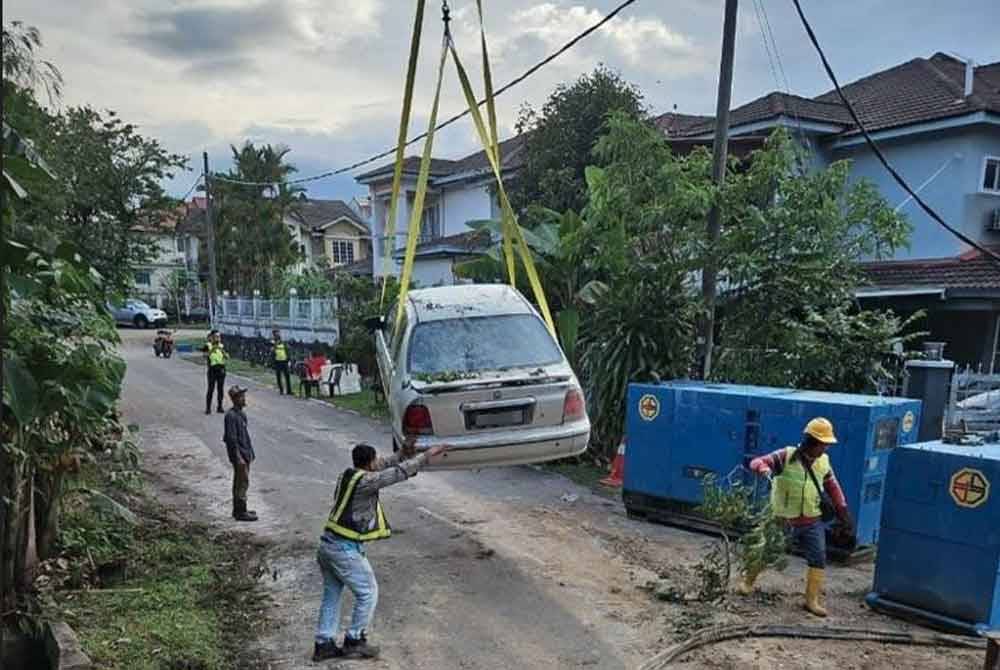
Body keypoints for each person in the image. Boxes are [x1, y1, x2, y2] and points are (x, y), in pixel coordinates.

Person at [311, 438, 449, 662]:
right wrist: (425, 456)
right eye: (375, 460)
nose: (378, 462)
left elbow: (385, 465)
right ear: (369, 462)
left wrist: (403, 452)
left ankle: (323, 643)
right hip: (343, 549)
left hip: (327, 545)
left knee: (332, 595)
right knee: (368, 593)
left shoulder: (348, 475)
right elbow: (395, 473)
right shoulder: (367, 482)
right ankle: (354, 641)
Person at [743, 417, 854, 617]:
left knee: (819, 557)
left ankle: (811, 600)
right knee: (765, 552)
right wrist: (763, 469)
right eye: (823, 444)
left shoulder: (824, 462)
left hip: (812, 520)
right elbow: (756, 461)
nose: (825, 448)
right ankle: (747, 583)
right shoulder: (786, 456)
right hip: (783, 519)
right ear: (812, 441)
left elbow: (833, 487)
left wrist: (843, 511)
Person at [223, 385, 258, 522]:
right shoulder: (230, 416)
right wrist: (238, 458)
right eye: (241, 397)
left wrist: (250, 453)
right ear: (235, 399)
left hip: (245, 453)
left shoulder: (241, 414)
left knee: (244, 482)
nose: (244, 399)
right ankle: (240, 511)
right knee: (240, 483)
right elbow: (231, 440)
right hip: (239, 456)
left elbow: (244, 436)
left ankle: (241, 509)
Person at [203, 330, 228, 414]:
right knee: (211, 389)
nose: (218, 338)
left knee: (220, 389)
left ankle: (220, 407)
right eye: (216, 336)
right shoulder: (208, 345)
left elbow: (227, 357)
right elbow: (204, 356)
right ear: (212, 337)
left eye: (219, 337)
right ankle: (208, 408)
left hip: (221, 369)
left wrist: (223, 352)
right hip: (212, 370)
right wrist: (212, 350)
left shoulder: (222, 346)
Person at [271, 329, 292, 395]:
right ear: (274, 334)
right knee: (278, 377)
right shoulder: (273, 342)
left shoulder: (283, 341)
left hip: (284, 361)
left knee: (287, 376)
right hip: (277, 361)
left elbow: (287, 349)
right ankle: (281, 390)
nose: (278, 334)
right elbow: (272, 351)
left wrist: (289, 359)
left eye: (278, 333)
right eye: (276, 333)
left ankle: (289, 391)